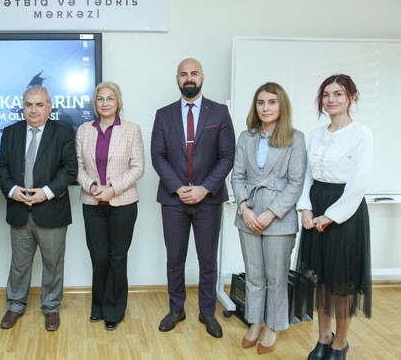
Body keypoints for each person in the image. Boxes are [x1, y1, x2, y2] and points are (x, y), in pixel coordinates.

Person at [150, 58, 235, 337]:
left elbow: (227, 156)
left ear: (202, 77)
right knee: (175, 259)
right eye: (184, 74)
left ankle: (207, 312)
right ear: (177, 78)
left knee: (207, 260)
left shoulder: (219, 113)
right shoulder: (163, 115)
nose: (189, 78)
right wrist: (178, 187)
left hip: (208, 200)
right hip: (173, 200)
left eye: (194, 73)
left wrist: (204, 188)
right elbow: (157, 156)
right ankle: (176, 309)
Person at [297, 74, 373, 360]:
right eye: (326, 95)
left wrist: (329, 217)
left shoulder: (361, 133)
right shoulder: (316, 134)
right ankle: (323, 338)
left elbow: (358, 185)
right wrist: (306, 209)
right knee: (320, 279)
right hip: (316, 204)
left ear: (351, 97)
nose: (331, 100)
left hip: (345, 213)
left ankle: (340, 343)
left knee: (342, 283)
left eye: (338, 94)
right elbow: (306, 176)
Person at [230, 82, 307, 354]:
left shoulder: (295, 139)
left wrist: (271, 213)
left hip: (279, 219)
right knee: (254, 275)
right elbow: (237, 176)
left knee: (276, 278)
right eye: (261, 102)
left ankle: (273, 326)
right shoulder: (246, 137)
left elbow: (296, 183)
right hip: (248, 216)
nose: (266, 108)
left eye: (272, 102)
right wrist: (245, 209)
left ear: (281, 105)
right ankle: (255, 322)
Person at [0, 86, 77, 332]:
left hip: (52, 210)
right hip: (19, 210)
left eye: (39, 105)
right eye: (29, 104)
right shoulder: (10, 133)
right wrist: (12, 190)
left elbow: (70, 169)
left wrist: (46, 192)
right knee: (19, 264)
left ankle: (51, 307)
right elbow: (2, 167)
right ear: (23, 106)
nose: (33, 110)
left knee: (53, 264)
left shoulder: (63, 132)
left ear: (49, 107)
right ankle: (15, 304)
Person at [76, 81, 145, 331]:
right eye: (100, 99)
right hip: (92, 203)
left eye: (110, 98)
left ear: (118, 102)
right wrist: (92, 186)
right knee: (99, 257)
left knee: (117, 257)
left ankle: (114, 310)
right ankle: (98, 305)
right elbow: (77, 167)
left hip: (123, 204)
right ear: (95, 103)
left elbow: (138, 167)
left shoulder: (131, 129)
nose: (105, 103)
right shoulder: (84, 130)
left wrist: (112, 188)